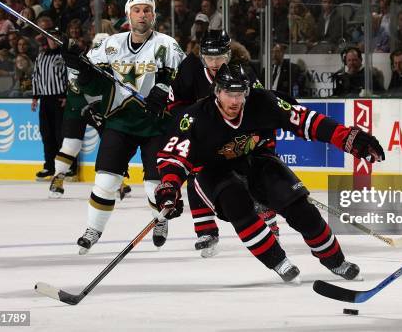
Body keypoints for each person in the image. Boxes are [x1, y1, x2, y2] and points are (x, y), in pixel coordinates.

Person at [156, 64, 386, 283]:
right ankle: (278, 261)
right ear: (217, 91)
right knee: (237, 205)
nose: (235, 101)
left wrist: (345, 138)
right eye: (229, 93)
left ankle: (336, 261)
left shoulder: (262, 101)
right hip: (212, 169)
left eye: (240, 93)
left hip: (257, 160)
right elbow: (174, 156)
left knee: (302, 210)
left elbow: (305, 120)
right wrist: (169, 185)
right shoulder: (195, 117)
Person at [62, 0, 185, 254]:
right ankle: (93, 229)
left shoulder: (168, 45)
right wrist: (76, 63)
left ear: (154, 15)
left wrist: (167, 91)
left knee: (155, 188)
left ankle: (160, 220)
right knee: (105, 181)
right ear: (128, 15)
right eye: (137, 10)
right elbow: (81, 76)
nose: (142, 14)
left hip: (157, 125)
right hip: (120, 122)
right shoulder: (110, 45)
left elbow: (185, 81)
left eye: (147, 10)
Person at [170, 30, 280, 258]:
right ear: (201, 56)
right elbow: (176, 103)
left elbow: (264, 108)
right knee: (197, 176)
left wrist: (262, 143)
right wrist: (187, 127)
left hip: (241, 136)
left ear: (229, 55)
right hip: (208, 137)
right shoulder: (190, 70)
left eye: (219, 57)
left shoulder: (244, 73)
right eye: (209, 58)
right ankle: (206, 231)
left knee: (255, 176)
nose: (214, 63)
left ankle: (268, 221)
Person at [48, 33, 131, 200]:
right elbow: (76, 88)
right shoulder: (83, 61)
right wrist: (87, 108)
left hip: (101, 107)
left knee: (113, 143)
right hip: (77, 107)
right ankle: (58, 178)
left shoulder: (117, 62)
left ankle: (116, 180)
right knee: (71, 145)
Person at [31, 21, 67, 181]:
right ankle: (49, 166)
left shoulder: (64, 55)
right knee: (47, 134)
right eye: (50, 37)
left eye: (55, 37)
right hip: (45, 100)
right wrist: (35, 97)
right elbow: (36, 77)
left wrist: (68, 97)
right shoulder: (41, 56)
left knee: (62, 134)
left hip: (60, 99)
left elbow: (71, 78)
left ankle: (67, 168)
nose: (52, 40)